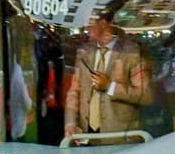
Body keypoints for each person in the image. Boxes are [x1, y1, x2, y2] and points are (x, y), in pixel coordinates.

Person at [63, 13, 153, 141]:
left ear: (103, 23)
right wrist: (71, 123)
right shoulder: (84, 52)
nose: (85, 27)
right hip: (85, 135)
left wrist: (110, 87)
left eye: (89, 22)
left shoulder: (132, 52)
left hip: (120, 138)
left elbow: (146, 95)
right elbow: (74, 91)